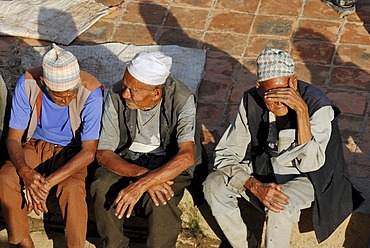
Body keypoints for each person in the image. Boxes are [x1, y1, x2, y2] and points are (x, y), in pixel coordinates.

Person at [203, 48, 363, 248]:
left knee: (279, 204)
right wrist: (254, 185)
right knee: (213, 184)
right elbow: (225, 155)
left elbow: (312, 163)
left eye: (285, 91)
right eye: (271, 93)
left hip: (312, 179)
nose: (279, 100)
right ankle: (243, 244)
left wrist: (302, 112)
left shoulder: (317, 106)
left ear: (294, 82)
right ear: (259, 88)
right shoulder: (251, 100)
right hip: (266, 172)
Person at [90, 51, 204, 248]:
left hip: (168, 159)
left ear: (156, 93)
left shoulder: (182, 98)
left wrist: (142, 185)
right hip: (127, 157)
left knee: (160, 199)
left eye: (132, 90)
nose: (125, 93)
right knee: (101, 187)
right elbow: (104, 153)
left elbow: (186, 156)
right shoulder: (115, 94)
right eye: (125, 86)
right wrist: (144, 177)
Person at [0, 44, 103, 248]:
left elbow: (89, 152)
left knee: (73, 189)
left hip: (71, 152)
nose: (66, 99)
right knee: (6, 176)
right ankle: (23, 241)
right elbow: (13, 138)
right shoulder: (28, 82)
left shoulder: (91, 91)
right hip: (34, 145)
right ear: (44, 83)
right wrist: (25, 172)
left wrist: (45, 184)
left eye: (71, 94)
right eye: (59, 95)